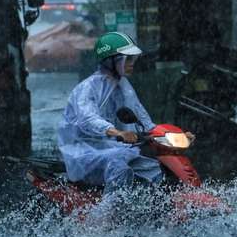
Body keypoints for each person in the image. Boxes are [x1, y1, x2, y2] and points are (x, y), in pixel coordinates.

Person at [57, 31, 194, 200]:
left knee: (155, 172)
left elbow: (143, 121)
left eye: (132, 59)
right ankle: (103, 222)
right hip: (85, 156)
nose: (131, 64)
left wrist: (176, 137)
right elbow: (88, 120)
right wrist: (119, 133)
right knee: (120, 170)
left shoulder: (123, 87)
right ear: (111, 60)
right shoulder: (87, 88)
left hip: (115, 152)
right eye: (126, 59)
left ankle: (149, 218)